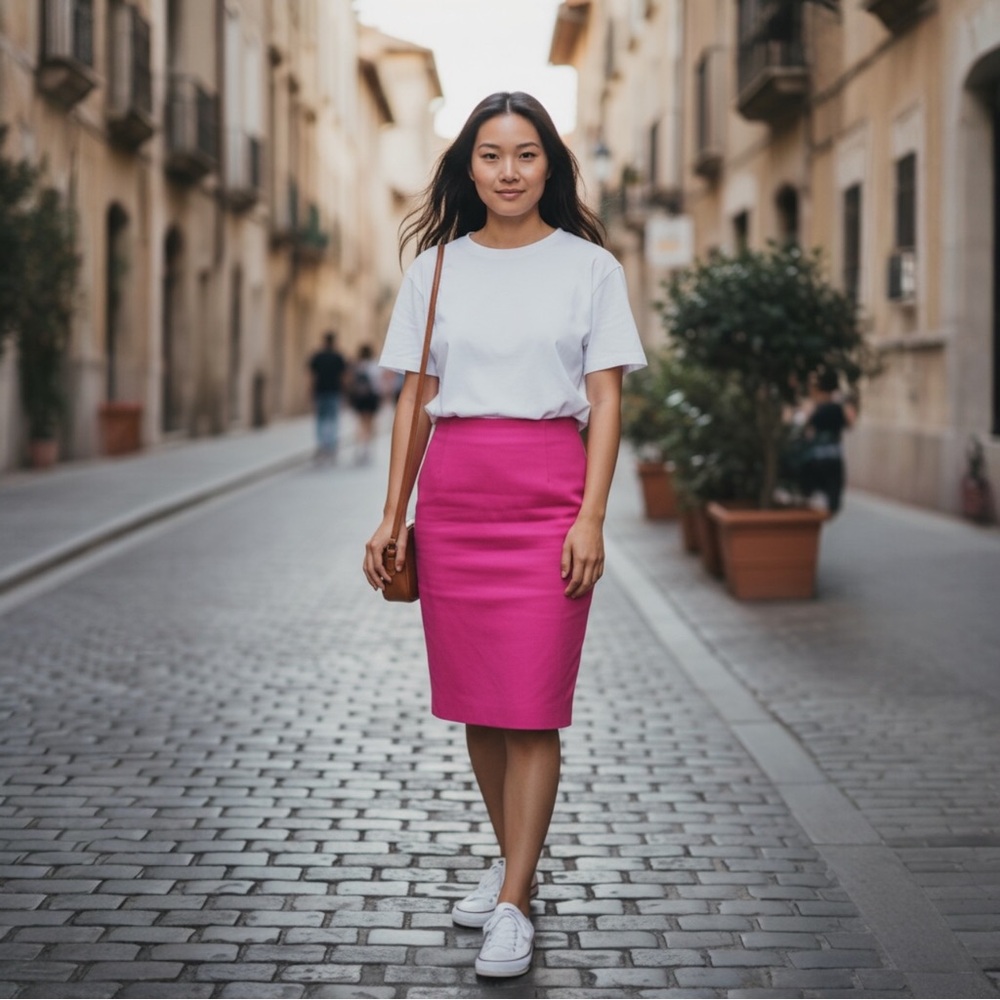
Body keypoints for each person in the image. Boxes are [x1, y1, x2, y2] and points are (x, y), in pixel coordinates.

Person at [363, 92, 646, 979]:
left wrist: (592, 514)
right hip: (455, 497)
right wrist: (391, 512)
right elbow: (414, 397)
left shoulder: (590, 268)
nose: (511, 171)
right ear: (469, 167)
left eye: (527, 155)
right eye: (492, 156)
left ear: (551, 166)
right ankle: (511, 861)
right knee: (480, 705)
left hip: (549, 496)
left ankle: (515, 902)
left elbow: (606, 398)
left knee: (532, 707)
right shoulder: (435, 270)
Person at [799, 369, 856, 515]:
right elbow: (850, 423)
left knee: (811, 496)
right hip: (834, 456)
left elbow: (805, 427)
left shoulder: (815, 407)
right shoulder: (839, 407)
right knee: (832, 501)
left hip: (816, 456)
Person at [308, 331, 347, 462]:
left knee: (320, 420)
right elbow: (343, 377)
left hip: (321, 391)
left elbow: (312, 376)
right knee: (333, 420)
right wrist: (344, 392)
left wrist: (310, 391)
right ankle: (331, 447)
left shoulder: (318, 356)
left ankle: (321, 446)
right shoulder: (338, 357)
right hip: (334, 392)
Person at [346, 343, 382, 464]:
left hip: (359, 399)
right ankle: (367, 448)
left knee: (360, 423)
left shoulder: (357, 366)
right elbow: (378, 384)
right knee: (370, 423)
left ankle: (360, 447)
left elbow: (350, 382)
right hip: (371, 398)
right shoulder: (374, 366)